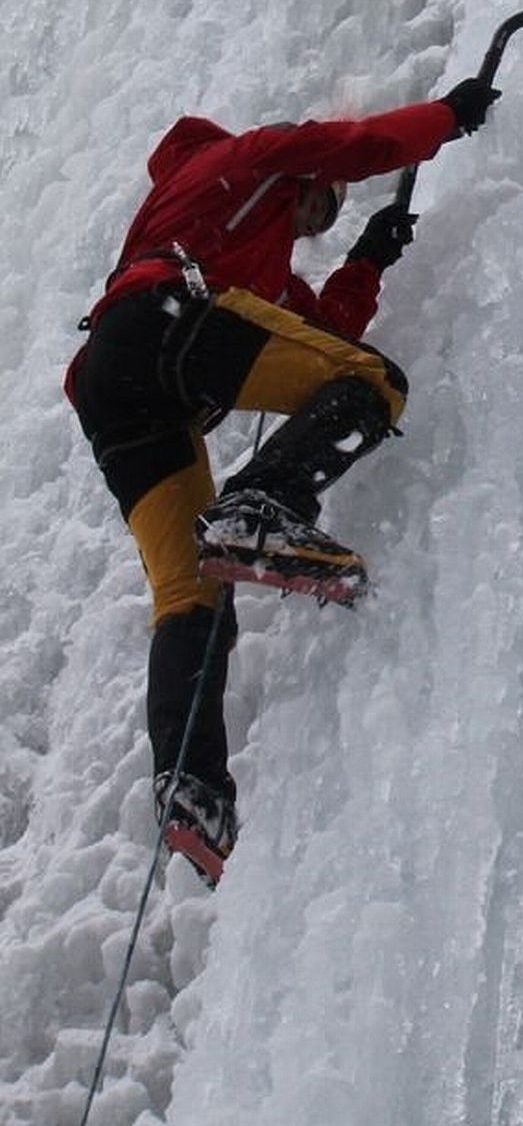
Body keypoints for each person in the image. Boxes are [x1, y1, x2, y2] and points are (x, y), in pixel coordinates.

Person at [66, 78, 499, 884]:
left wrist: (369, 256)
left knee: (191, 590)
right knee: (374, 385)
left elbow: (317, 333)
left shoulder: (256, 273)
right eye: (320, 210)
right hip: (164, 318)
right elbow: (359, 142)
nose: (310, 227)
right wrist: (448, 116)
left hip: (119, 388)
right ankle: (265, 502)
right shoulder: (248, 159)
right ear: (306, 184)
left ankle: (189, 782)